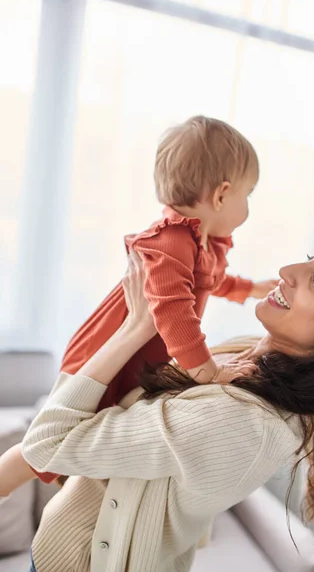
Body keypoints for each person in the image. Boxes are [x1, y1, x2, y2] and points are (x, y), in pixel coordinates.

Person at [14, 225, 314, 572]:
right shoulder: (251, 357)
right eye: (309, 258)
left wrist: (134, 328)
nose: (287, 271)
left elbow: (47, 443)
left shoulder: (243, 422)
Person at [0, 115, 277, 490]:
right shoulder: (172, 241)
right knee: (46, 446)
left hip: (136, 359)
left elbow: (208, 281)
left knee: (81, 446)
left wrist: (249, 288)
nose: (248, 207)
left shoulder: (202, 243)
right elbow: (175, 312)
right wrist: (206, 371)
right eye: (250, 195)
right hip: (104, 356)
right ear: (222, 195)